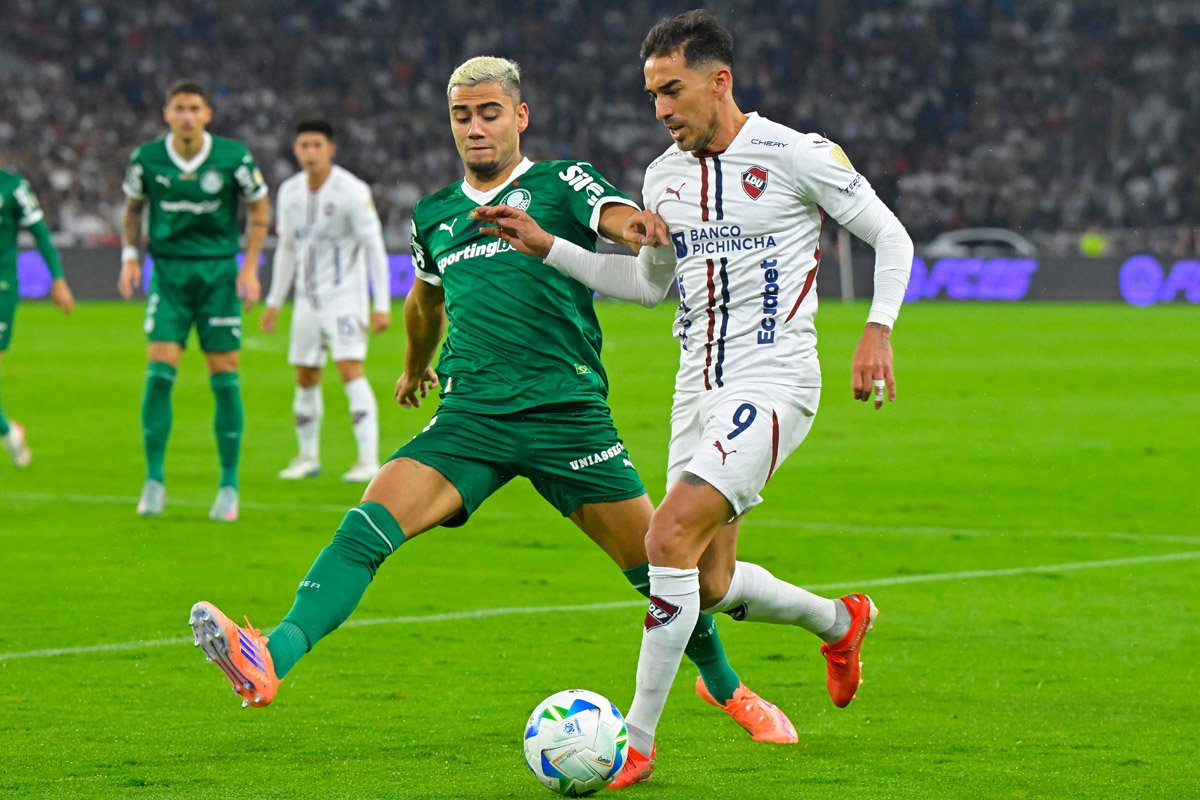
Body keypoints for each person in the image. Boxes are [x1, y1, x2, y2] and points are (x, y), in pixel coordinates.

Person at [187, 56, 798, 746]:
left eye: (488, 113)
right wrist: (416, 367)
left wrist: (638, 229)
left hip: (567, 419)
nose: (475, 128)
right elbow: (425, 302)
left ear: (519, 117)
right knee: (365, 526)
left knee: (663, 569)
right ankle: (270, 657)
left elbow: (613, 215)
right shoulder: (436, 214)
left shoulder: (559, 181)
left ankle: (727, 689)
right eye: (461, 116)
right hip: (470, 418)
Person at [474, 11, 914, 787]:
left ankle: (634, 743)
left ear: (720, 81)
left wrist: (877, 330)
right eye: (651, 95)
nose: (660, 109)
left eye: (671, 90)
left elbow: (892, 237)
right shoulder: (661, 177)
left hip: (774, 380)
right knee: (706, 585)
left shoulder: (793, 154)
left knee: (665, 539)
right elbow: (645, 289)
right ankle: (840, 622)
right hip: (695, 390)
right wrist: (547, 246)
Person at [118, 80, 271, 521]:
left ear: (207, 115)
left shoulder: (233, 157)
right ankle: (153, 480)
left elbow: (260, 209)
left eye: (194, 108)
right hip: (168, 275)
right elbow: (132, 208)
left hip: (219, 275)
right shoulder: (147, 159)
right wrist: (130, 258)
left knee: (224, 376)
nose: (186, 116)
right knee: (159, 374)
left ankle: (228, 485)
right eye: (179, 108)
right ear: (167, 114)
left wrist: (249, 268)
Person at [263, 119, 391, 484]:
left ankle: (368, 460)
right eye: (304, 145)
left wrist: (380, 303)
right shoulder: (288, 192)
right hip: (306, 300)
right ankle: (307, 456)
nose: (310, 152)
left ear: (330, 149)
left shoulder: (352, 190)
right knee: (305, 375)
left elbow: (373, 247)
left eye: (317, 145)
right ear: (295, 149)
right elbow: (287, 248)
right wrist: (275, 301)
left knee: (350, 370)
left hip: (345, 298)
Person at [0, 169, 74, 467]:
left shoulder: (13, 187)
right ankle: (8, 431)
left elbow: (40, 231)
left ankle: (8, 431)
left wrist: (57, 278)